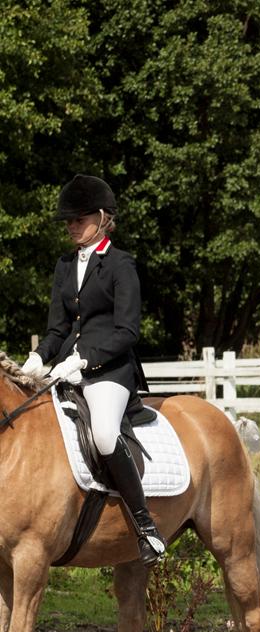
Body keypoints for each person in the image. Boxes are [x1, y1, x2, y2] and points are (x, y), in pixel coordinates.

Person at [21, 174, 166, 567]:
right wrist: (38, 359)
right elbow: (57, 329)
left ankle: (145, 527)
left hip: (111, 372)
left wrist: (84, 360)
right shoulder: (65, 265)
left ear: (103, 218)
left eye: (79, 219)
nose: (71, 226)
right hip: (66, 368)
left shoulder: (121, 264)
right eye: (68, 220)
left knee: (104, 433)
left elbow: (127, 331)